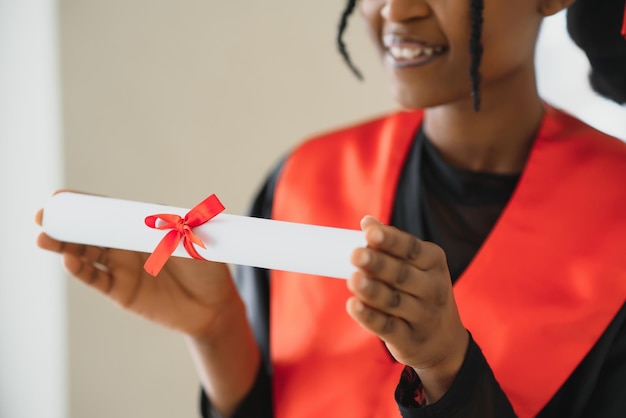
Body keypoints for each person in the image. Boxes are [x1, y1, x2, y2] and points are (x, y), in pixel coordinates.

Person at [36, 0, 626, 417]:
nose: (395, 9)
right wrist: (217, 333)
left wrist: (450, 372)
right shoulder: (305, 178)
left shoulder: (615, 212)